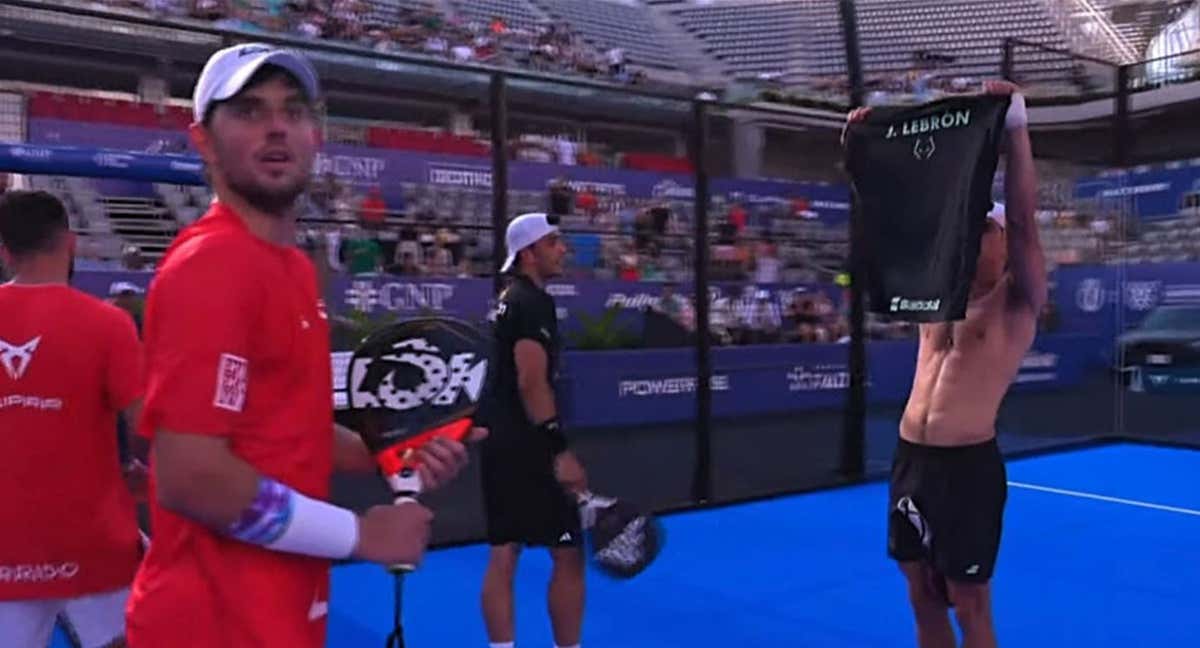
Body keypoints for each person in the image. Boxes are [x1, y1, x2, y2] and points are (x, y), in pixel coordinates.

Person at [123, 43, 480, 648]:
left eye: (293, 109)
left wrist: (393, 453)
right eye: (250, 110)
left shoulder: (288, 267)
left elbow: (292, 432)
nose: (277, 127)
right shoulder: (212, 266)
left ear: (317, 134)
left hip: (281, 617)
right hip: (208, 628)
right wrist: (361, 536)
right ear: (204, 141)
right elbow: (190, 476)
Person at [852, 81, 1045, 648]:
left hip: (967, 471)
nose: (972, 233)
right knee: (921, 596)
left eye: (985, 228)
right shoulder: (937, 289)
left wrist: (1016, 128)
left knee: (969, 604)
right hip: (912, 459)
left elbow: (1027, 221)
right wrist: (865, 150)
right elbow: (900, 218)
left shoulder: (1018, 301)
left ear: (1005, 244)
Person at [0, 190, 145, 648]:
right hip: (93, 539)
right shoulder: (108, 325)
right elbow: (148, 425)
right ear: (71, 243)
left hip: (8, 542)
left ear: (5, 253)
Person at [479, 212, 589, 648]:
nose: (562, 249)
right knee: (567, 553)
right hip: (529, 446)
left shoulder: (509, 298)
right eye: (553, 242)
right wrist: (558, 450)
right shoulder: (532, 303)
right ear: (529, 253)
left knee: (504, 551)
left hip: (499, 441)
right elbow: (531, 381)